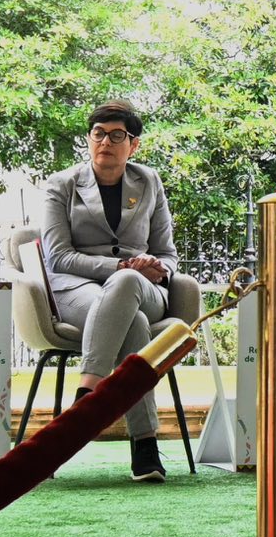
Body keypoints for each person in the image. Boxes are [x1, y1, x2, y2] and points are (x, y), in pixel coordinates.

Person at [40, 100, 180, 481]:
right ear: (89, 139)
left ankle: (86, 397)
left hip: (142, 287)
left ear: (133, 145)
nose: (106, 141)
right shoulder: (62, 185)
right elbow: (58, 257)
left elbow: (168, 253)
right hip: (77, 290)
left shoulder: (148, 181)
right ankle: (145, 445)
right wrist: (120, 266)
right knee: (131, 323)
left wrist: (156, 267)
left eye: (117, 135)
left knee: (128, 284)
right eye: (98, 133)